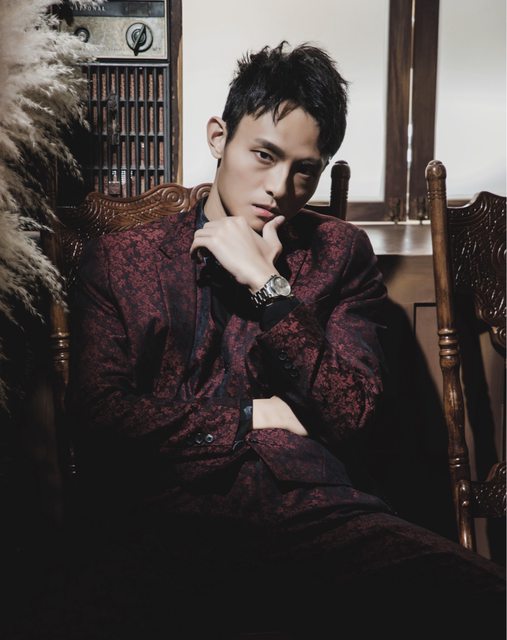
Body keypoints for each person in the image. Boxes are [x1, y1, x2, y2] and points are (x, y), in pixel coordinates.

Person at [68, 42, 505, 639]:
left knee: (485, 600)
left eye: (305, 170)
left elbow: (354, 415)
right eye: (264, 155)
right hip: (166, 519)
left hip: (314, 511)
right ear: (219, 138)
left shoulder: (339, 253)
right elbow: (98, 420)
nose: (280, 187)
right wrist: (251, 416)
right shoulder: (122, 260)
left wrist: (269, 289)